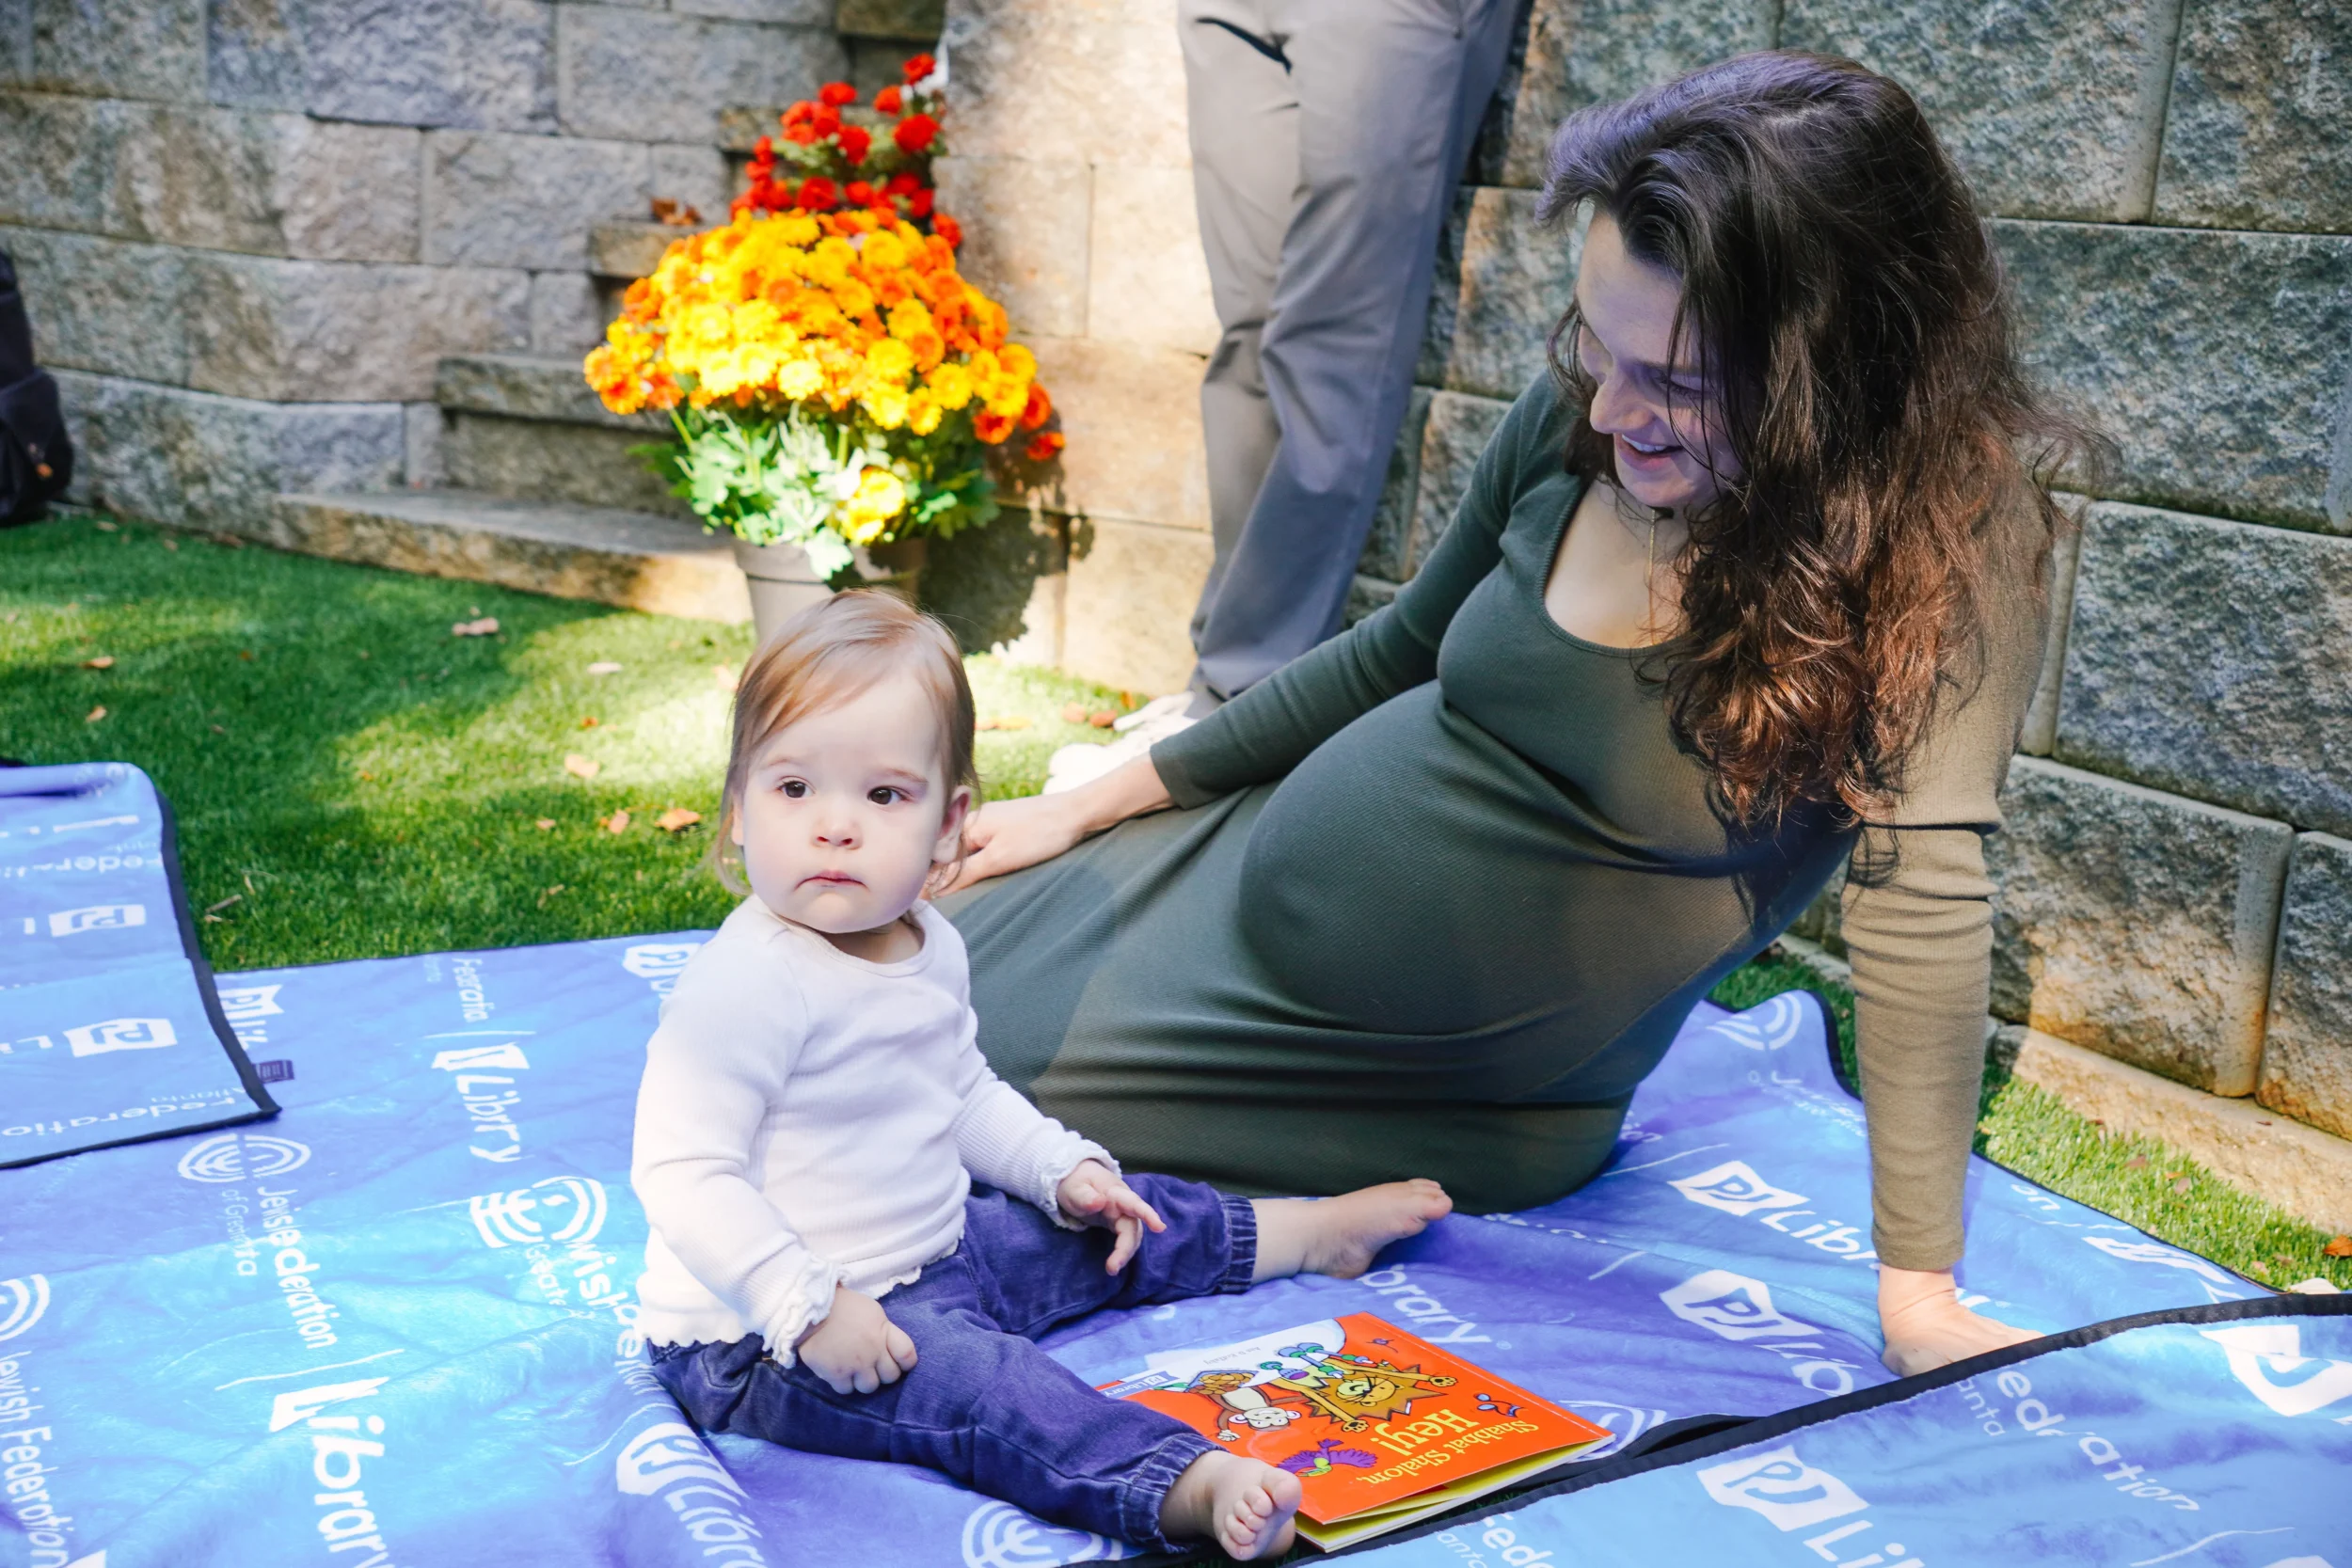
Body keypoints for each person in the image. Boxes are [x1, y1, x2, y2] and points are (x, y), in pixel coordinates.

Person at [945, 53, 2105, 1377]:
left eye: (1673, 379)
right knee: (852, 968)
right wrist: (1091, 802)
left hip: (1402, 1078)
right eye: (1598, 349)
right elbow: (1397, 649)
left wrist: (1920, 1291)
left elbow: (1923, 894)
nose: (1609, 411)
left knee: (894, 1086)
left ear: (1834, 365)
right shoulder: (1592, 413)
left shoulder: (1945, 539)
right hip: (1219, 888)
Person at [629, 592, 1454, 1560]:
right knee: (990, 1389)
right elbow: (684, 1172)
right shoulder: (749, 982)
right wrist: (807, 1306)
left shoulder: (926, 939)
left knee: (1106, 1221)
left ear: (951, 824)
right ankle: (1180, 1482)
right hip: (762, 1335)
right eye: (793, 787)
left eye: (884, 794)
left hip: (935, 1252)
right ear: (737, 806)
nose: (835, 827)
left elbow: (962, 1088)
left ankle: (1302, 1232)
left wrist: (1058, 1166)